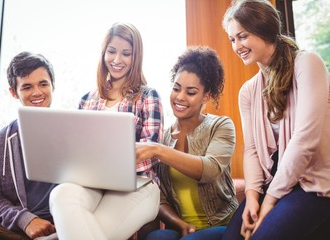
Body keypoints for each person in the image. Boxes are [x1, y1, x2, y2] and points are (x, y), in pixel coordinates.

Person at [221, 0, 330, 239]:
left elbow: (305, 140)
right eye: (232, 40)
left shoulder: (307, 63)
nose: (237, 46)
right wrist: (251, 197)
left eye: (242, 36)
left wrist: (269, 202)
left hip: (314, 186)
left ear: (264, 30)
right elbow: (250, 150)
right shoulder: (248, 91)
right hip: (274, 183)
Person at [49, 22, 164, 240]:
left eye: (126, 53)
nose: (117, 60)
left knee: (87, 229)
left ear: (136, 57)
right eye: (111, 51)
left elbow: (150, 154)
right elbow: (76, 150)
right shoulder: (87, 100)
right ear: (103, 53)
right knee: (60, 193)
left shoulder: (148, 96)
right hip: (92, 184)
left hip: (138, 184)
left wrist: (109, 163)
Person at [136, 46, 238, 240]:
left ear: (206, 96)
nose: (180, 97)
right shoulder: (164, 137)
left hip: (221, 225)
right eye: (176, 88)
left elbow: (210, 169)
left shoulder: (221, 125)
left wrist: (157, 150)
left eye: (191, 92)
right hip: (184, 229)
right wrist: (181, 225)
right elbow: (160, 196)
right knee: (156, 237)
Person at [0, 52, 58, 240]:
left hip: (63, 225)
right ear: (13, 92)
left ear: (53, 85)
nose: (37, 92)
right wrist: (26, 220)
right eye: (27, 87)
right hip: (15, 227)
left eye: (43, 84)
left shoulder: (74, 131)